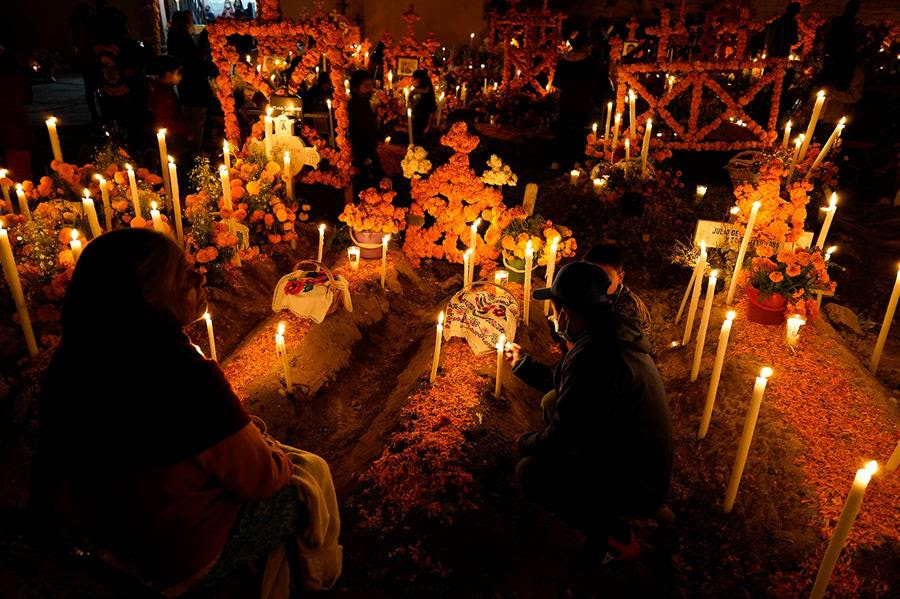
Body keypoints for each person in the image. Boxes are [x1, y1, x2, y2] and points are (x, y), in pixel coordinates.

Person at [32, 229, 340, 594]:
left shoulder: (71, 362)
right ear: (146, 296)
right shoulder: (181, 375)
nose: (200, 278)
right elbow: (261, 479)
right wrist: (269, 450)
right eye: (183, 275)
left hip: (102, 538)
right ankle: (317, 580)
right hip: (170, 554)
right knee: (310, 474)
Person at [506, 261, 672, 563]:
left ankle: (617, 537)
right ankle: (626, 506)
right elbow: (563, 383)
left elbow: (565, 435)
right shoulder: (607, 334)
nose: (556, 319)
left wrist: (524, 442)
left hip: (637, 476)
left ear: (567, 313)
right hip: (634, 456)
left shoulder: (597, 356)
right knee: (553, 401)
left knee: (531, 472)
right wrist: (521, 363)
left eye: (556, 311)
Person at [584, 242, 653, 347]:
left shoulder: (626, 308)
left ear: (620, 277)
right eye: (590, 276)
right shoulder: (598, 295)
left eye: (604, 278)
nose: (596, 283)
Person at [167, 10, 213, 152]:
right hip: (195, 86)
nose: (192, 23)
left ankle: (190, 151)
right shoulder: (184, 39)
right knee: (197, 121)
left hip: (185, 86)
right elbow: (195, 61)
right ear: (185, 23)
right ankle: (195, 153)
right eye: (191, 21)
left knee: (189, 119)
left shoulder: (173, 37)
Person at [553, 26, 594, 170]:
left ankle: (558, 160)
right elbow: (593, 83)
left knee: (562, 129)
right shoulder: (589, 62)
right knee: (579, 131)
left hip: (566, 100)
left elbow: (557, 82)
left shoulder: (563, 62)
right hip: (581, 101)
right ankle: (577, 159)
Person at [147, 56, 191, 157]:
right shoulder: (164, 94)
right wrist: (187, 131)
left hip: (172, 136)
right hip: (173, 138)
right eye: (178, 73)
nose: (180, 76)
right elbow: (166, 120)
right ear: (168, 74)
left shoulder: (162, 89)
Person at [347, 69, 382, 189]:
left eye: (371, 85)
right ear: (356, 88)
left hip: (368, 145)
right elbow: (363, 127)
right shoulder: (357, 104)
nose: (370, 88)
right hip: (362, 146)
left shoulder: (364, 101)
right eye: (366, 85)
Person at [409, 69, 437, 143]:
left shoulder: (427, 93)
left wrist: (428, 126)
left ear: (418, 80)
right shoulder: (416, 91)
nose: (411, 82)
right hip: (415, 120)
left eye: (412, 80)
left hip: (422, 123)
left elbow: (432, 110)